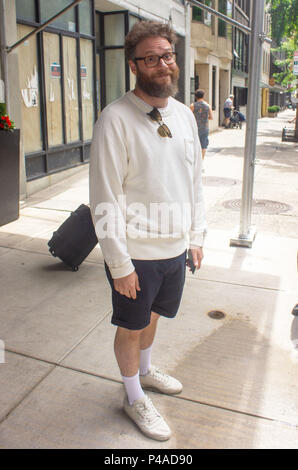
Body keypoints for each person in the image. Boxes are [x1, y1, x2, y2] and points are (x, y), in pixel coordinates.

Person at [89, 20, 206, 442]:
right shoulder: (115, 119)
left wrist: (196, 236)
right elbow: (104, 197)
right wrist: (119, 264)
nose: (163, 65)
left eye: (168, 56)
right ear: (135, 65)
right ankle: (133, 395)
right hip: (135, 252)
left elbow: (194, 180)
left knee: (154, 317)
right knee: (131, 327)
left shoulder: (185, 115)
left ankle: (145, 369)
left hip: (175, 249)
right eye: (152, 58)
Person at [190, 89, 213, 164]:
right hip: (204, 128)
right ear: (203, 96)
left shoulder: (193, 105)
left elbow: (188, 116)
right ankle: (201, 162)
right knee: (203, 145)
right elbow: (211, 117)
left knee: (194, 144)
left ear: (196, 96)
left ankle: (194, 161)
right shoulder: (207, 106)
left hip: (195, 128)